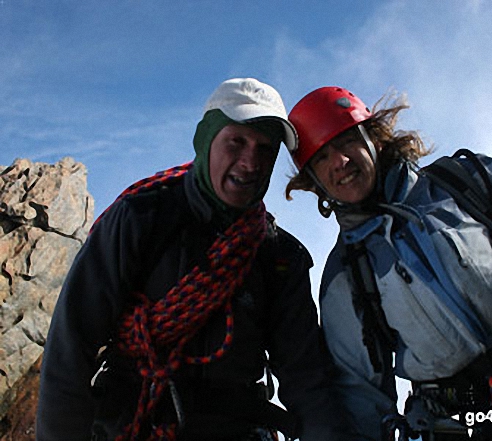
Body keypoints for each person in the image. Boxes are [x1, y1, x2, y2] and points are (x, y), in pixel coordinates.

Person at [36, 78, 351, 441]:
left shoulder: (279, 256)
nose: (251, 162)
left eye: (265, 150)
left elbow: (305, 378)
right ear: (206, 141)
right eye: (236, 142)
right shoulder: (141, 220)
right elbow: (71, 349)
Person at [284, 86, 492, 440]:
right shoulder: (346, 273)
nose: (340, 162)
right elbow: (359, 395)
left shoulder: (462, 183)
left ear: (374, 139)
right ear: (314, 181)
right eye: (321, 157)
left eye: (347, 141)